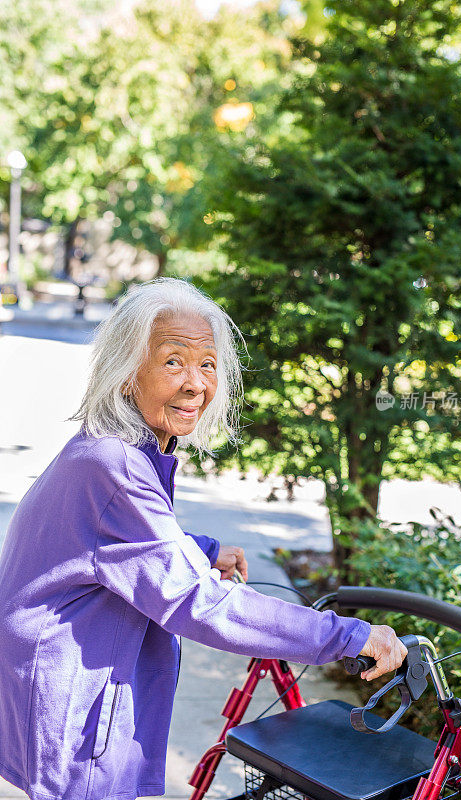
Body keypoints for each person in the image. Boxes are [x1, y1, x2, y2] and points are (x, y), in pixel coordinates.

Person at [0, 278, 407, 800]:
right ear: (126, 374)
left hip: (65, 669)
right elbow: (199, 603)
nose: (196, 383)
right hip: (76, 691)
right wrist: (348, 636)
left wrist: (205, 551)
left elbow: (117, 541)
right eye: (173, 362)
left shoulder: (115, 448)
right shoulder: (116, 465)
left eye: (208, 364)